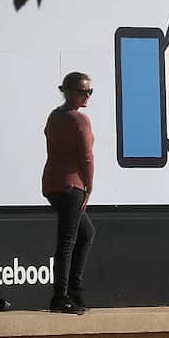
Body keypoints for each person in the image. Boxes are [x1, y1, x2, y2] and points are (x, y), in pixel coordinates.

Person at [42, 71, 96, 315]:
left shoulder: (54, 116)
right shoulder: (79, 120)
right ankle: (60, 296)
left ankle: (74, 290)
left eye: (90, 92)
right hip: (72, 185)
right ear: (69, 91)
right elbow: (86, 156)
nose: (87, 96)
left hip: (53, 184)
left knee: (86, 233)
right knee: (67, 241)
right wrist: (89, 185)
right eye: (83, 91)